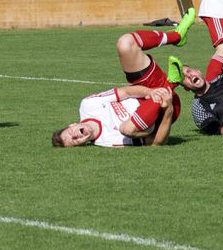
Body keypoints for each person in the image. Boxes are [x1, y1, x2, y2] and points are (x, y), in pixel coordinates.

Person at [51, 9, 197, 147]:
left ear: (72, 125)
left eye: (71, 133)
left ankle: (176, 36)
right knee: (126, 129)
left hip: (149, 89)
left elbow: (126, 92)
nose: (76, 135)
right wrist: (168, 109)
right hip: (165, 107)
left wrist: (151, 92)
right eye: (75, 141)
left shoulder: (88, 105)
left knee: (125, 43)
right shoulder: (107, 141)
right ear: (82, 144)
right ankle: (171, 85)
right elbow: (155, 142)